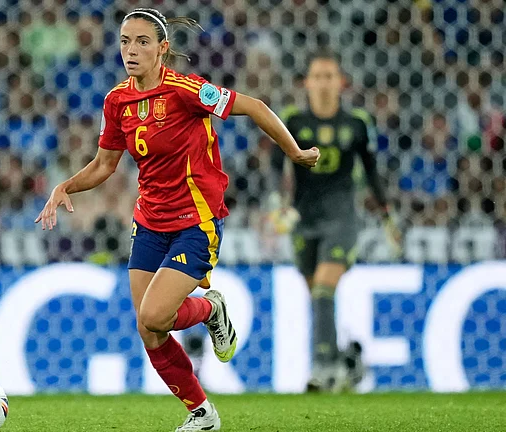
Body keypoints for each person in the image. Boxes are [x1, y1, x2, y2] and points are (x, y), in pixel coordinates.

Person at [36, 8, 318, 431]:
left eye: (142, 42)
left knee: (154, 316)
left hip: (196, 221)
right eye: (125, 41)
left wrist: (295, 152)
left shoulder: (186, 90)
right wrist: (65, 187)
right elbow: (104, 165)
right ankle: (201, 414)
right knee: (149, 329)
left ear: (163, 48)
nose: (131, 50)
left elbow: (255, 106)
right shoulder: (117, 101)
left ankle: (209, 309)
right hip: (149, 221)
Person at [269, 50, 400, 393]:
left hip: (342, 216)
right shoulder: (293, 121)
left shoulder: (356, 122)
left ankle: (324, 371)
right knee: (318, 297)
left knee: (325, 289)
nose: (324, 83)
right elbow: (274, 167)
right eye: (318, 76)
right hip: (303, 218)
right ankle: (348, 359)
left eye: (330, 76)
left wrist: (386, 214)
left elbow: (371, 170)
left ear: (341, 83)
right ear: (306, 83)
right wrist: (277, 204)